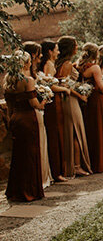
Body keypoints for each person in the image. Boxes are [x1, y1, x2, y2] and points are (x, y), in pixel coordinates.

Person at [4, 51, 45, 202]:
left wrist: (11, 121)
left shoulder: (9, 81)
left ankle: (16, 190)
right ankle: (29, 191)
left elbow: (9, 107)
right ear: (26, 63)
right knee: (30, 154)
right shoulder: (28, 80)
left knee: (18, 156)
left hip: (15, 119)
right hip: (28, 119)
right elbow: (34, 104)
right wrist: (44, 102)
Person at [55, 36, 91, 176]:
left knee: (73, 131)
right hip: (70, 100)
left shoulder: (64, 63)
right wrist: (81, 95)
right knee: (75, 132)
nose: (77, 47)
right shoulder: (67, 65)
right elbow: (65, 85)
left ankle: (73, 165)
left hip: (69, 99)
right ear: (70, 48)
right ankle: (75, 166)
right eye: (75, 45)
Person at [77, 43, 103, 174]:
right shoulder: (94, 68)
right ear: (95, 54)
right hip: (97, 100)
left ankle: (89, 161)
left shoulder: (79, 66)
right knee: (99, 128)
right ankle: (100, 163)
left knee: (89, 129)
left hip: (85, 100)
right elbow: (100, 85)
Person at [40, 40, 70, 182]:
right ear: (50, 52)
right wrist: (65, 88)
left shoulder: (49, 64)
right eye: (56, 50)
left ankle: (57, 170)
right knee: (55, 135)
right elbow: (49, 86)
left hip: (54, 102)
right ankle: (56, 171)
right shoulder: (49, 65)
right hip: (52, 103)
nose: (58, 52)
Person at [23, 42, 51, 189]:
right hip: (34, 113)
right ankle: (39, 178)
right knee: (38, 145)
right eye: (38, 53)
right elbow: (35, 103)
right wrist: (46, 96)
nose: (41, 56)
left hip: (21, 115)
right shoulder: (28, 78)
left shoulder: (14, 77)